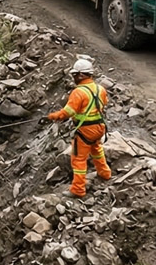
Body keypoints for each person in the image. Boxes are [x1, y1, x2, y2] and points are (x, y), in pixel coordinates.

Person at [47, 56, 111, 197]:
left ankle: (78, 189)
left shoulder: (78, 92)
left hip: (85, 131)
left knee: (78, 159)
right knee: (96, 150)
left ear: (81, 75)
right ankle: (105, 173)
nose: (74, 78)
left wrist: (53, 116)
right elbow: (103, 104)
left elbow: (68, 112)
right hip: (99, 127)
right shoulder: (100, 89)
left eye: (75, 75)